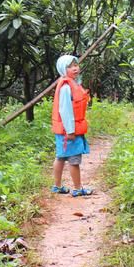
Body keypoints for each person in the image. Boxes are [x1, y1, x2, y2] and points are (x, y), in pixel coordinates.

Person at [50, 54, 93, 197]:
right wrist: (70, 131)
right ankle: (77, 188)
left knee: (61, 156)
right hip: (69, 130)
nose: (75, 68)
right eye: (70, 66)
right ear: (63, 69)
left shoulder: (71, 83)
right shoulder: (66, 87)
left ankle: (57, 186)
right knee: (74, 159)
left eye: (76, 65)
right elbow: (65, 110)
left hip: (63, 130)